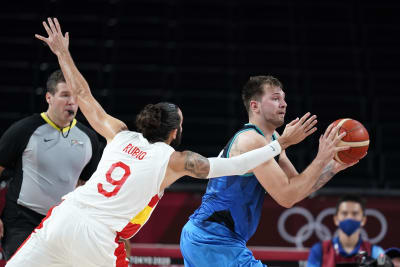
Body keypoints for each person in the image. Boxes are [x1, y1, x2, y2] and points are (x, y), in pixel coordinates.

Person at [5, 18, 317, 267]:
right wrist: (280, 144)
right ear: (174, 133)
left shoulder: (118, 132)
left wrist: (62, 53)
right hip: (99, 238)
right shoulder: (174, 160)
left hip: (64, 216)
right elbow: (233, 165)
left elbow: (83, 95)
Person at [179, 75, 357, 267]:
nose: (284, 104)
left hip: (214, 238)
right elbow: (286, 197)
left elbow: (297, 188)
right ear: (254, 106)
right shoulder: (251, 140)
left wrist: (332, 167)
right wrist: (320, 158)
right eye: (275, 98)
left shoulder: (273, 138)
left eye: (284, 98)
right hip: (212, 238)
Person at [0, 68, 101, 260]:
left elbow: (85, 185)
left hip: (62, 221)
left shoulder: (89, 138)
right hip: (22, 220)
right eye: (64, 95)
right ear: (49, 98)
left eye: (75, 96)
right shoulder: (24, 130)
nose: (71, 102)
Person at [307, 195, 385, 267]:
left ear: (363, 220)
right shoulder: (319, 250)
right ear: (336, 219)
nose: (349, 217)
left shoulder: (377, 252)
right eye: (344, 213)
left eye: (355, 213)